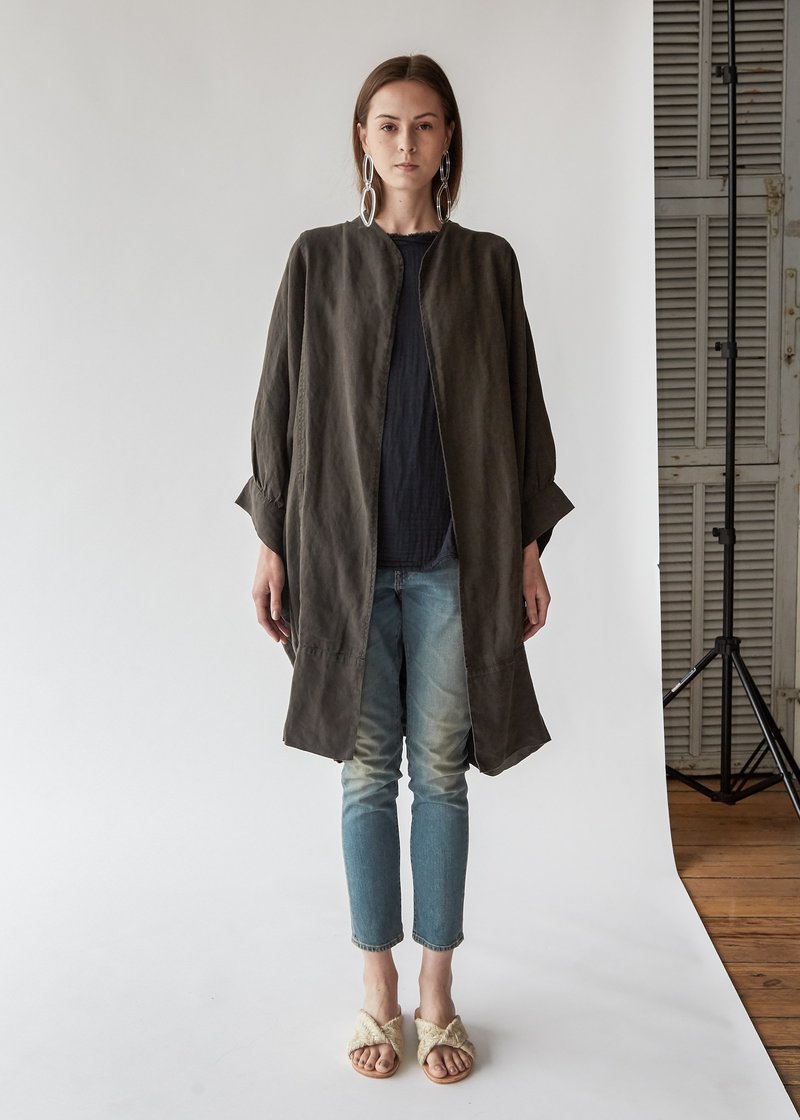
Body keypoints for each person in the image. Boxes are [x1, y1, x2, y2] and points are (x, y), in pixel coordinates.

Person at [235, 54, 575, 1085]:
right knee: (362, 776)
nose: (405, 142)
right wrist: (270, 540)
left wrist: (525, 543)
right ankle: (376, 991)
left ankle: (436, 993)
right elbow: (278, 405)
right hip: (342, 563)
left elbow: (520, 409)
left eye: (424, 125)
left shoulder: (487, 264)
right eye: (387, 124)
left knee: (440, 775)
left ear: (447, 141)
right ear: (362, 139)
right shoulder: (318, 260)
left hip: (450, 568)